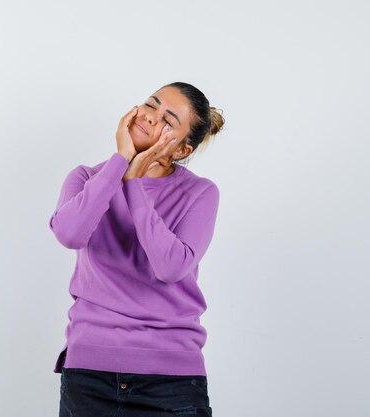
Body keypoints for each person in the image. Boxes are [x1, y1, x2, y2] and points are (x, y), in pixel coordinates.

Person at [48, 81, 225, 417]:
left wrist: (134, 184)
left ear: (181, 150)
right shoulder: (87, 178)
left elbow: (170, 267)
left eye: (169, 120)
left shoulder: (200, 193)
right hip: (90, 373)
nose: (151, 117)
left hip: (170, 379)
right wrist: (121, 163)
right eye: (151, 104)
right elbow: (70, 234)